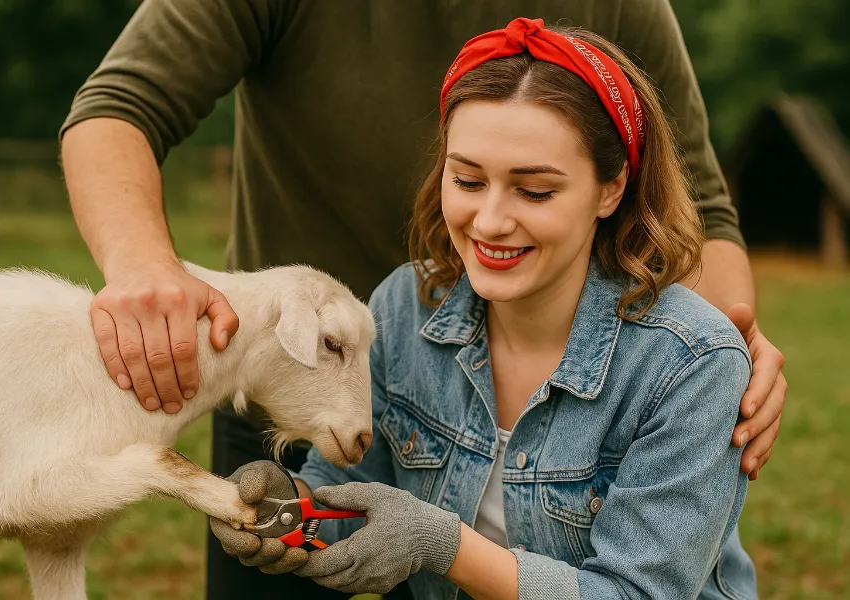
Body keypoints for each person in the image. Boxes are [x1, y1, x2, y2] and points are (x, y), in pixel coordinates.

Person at [59, 1, 784, 597]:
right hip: (304, 371)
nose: (494, 218)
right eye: (467, 180)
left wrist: (728, 356)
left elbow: (706, 207)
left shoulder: (681, 366)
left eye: (535, 189)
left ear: (611, 186)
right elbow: (119, 103)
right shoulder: (400, 312)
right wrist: (292, 515)